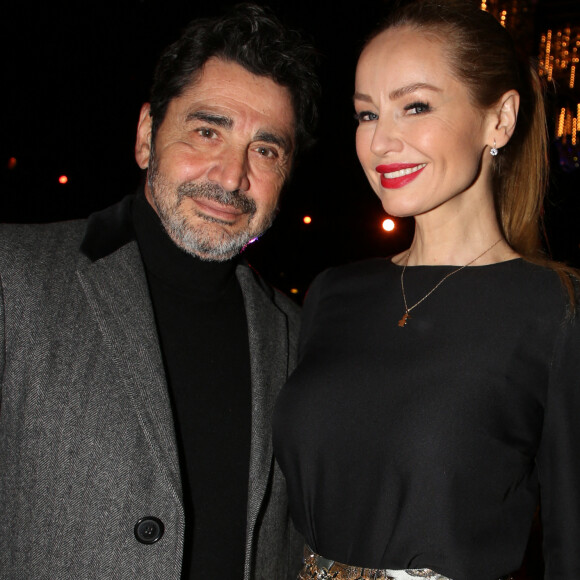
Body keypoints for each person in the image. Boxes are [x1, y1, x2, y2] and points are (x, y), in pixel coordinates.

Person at [0, 4, 319, 579]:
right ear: (148, 135)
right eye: (207, 131)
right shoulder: (13, 277)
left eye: (266, 150)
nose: (230, 177)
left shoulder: (298, 336)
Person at [273, 1, 580, 579]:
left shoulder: (554, 310)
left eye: (414, 107)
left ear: (500, 119)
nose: (381, 143)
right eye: (366, 115)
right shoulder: (333, 294)